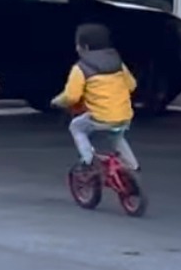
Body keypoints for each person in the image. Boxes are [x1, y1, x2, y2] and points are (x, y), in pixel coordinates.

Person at [53, 23, 139, 172]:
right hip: (124, 116)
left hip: (100, 118)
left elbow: (71, 97)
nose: (76, 48)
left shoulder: (81, 68)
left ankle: (88, 161)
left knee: (76, 127)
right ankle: (133, 166)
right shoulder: (118, 64)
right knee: (117, 137)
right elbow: (132, 85)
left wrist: (56, 102)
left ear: (85, 47)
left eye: (78, 45)